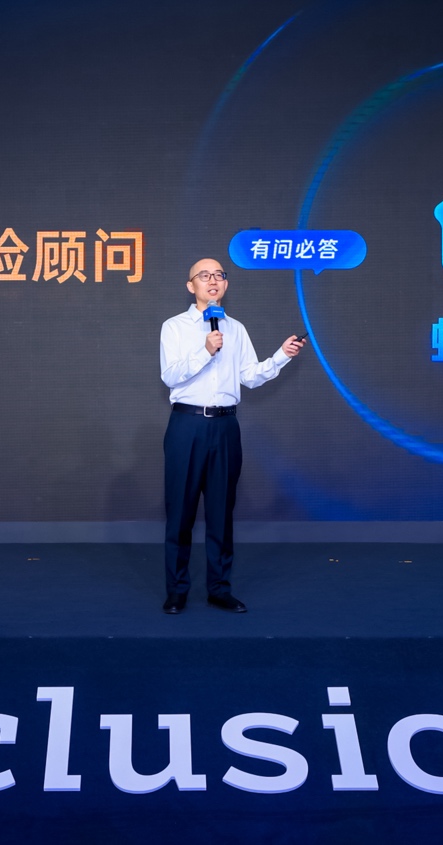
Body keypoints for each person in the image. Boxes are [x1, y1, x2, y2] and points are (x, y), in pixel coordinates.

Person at [158, 257, 304, 614]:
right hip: (187, 425)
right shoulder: (174, 327)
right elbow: (170, 375)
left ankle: (219, 589)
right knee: (180, 513)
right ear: (191, 285)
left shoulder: (236, 328)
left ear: (225, 284)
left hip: (225, 427)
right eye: (204, 275)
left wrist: (281, 356)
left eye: (219, 275)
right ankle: (177, 591)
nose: (213, 280)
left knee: (221, 513)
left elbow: (250, 376)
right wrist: (205, 350)